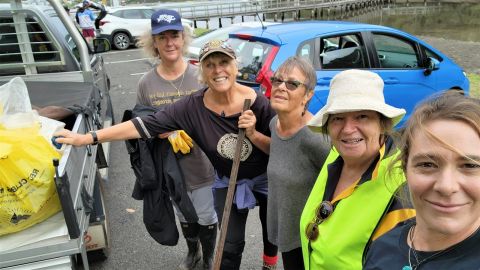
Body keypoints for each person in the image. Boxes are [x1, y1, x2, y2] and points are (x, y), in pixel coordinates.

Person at [55, 39, 278, 269]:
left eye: (224, 62)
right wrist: (89, 137)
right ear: (201, 71)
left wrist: (253, 134)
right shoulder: (192, 107)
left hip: (267, 177)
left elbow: (280, 148)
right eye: (210, 64)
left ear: (235, 66)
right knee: (230, 245)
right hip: (228, 180)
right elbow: (142, 125)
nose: (218, 70)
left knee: (273, 230)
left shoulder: (257, 102)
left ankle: (269, 265)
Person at [300, 69, 416, 269]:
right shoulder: (337, 154)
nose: (347, 129)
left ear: (382, 123)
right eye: (338, 118)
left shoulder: (403, 185)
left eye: (362, 116)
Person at [134, 9, 216, 270]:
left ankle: (209, 256)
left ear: (183, 39)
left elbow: (217, 112)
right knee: (184, 213)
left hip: (202, 162)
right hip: (170, 167)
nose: (169, 43)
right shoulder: (146, 84)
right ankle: (193, 252)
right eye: (162, 37)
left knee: (205, 214)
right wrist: (161, 132)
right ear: (154, 43)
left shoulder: (200, 75)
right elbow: (143, 124)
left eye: (174, 35)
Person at [363, 91, 480, 270]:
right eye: (427, 164)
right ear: (405, 168)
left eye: (470, 166)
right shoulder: (382, 246)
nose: (446, 186)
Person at [266, 56, 329, 270]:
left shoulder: (314, 138)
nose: (281, 87)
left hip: (309, 238)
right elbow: (281, 155)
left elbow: (341, 181)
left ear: (308, 95)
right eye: (277, 80)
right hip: (286, 228)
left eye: (292, 84)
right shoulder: (275, 124)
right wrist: (252, 135)